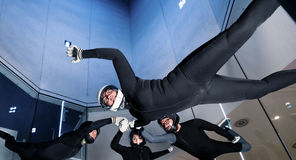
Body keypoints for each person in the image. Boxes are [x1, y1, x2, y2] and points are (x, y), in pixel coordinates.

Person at [67, 0, 296, 127]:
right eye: (106, 100)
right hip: (204, 94)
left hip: (190, 75)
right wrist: (127, 125)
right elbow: (145, 122)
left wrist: (83, 53)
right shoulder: (139, 116)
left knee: (239, 32)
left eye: (107, 93)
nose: (108, 97)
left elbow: (116, 54)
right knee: (259, 90)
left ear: (114, 89)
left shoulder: (130, 87)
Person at [0, 117, 125, 160]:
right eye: (93, 131)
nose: (94, 134)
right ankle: (7, 136)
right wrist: (112, 119)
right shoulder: (75, 137)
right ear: (85, 129)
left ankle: (25, 159)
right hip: (33, 150)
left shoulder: (79, 146)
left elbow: (57, 158)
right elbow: (88, 128)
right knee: (10, 144)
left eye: (96, 134)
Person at [143, 114, 250, 160]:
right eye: (163, 125)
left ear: (173, 118)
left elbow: (214, 128)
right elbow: (152, 139)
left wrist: (230, 136)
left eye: (166, 121)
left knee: (247, 147)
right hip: (207, 157)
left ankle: (226, 128)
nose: (165, 125)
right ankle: (226, 130)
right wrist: (137, 127)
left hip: (215, 148)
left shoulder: (194, 123)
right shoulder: (172, 137)